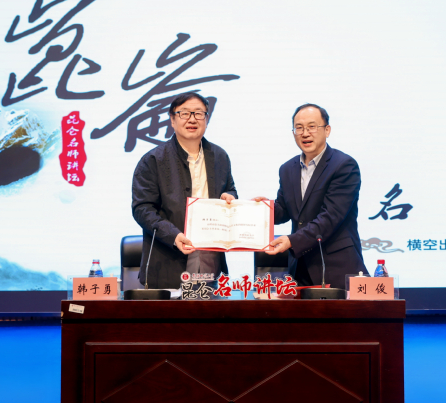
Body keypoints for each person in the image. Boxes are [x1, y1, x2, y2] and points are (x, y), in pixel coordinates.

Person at [256, 103, 368, 289]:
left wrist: (292, 241)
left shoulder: (344, 166)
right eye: (299, 128)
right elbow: (284, 209)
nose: (305, 133)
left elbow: (330, 217)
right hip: (300, 269)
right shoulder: (287, 169)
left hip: (336, 267)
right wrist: (259, 210)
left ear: (327, 130)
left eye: (312, 127)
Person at [131, 92, 237, 289]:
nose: (192, 119)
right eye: (184, 113)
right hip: (167, 261)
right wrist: (173, 235)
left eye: (198, 113)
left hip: (210, 261)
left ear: (206, 119)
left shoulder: (220, 156)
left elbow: (230, 189)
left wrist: (230, 197)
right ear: (172, 120)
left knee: (209, 308)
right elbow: (142, 209)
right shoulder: (153, 160)